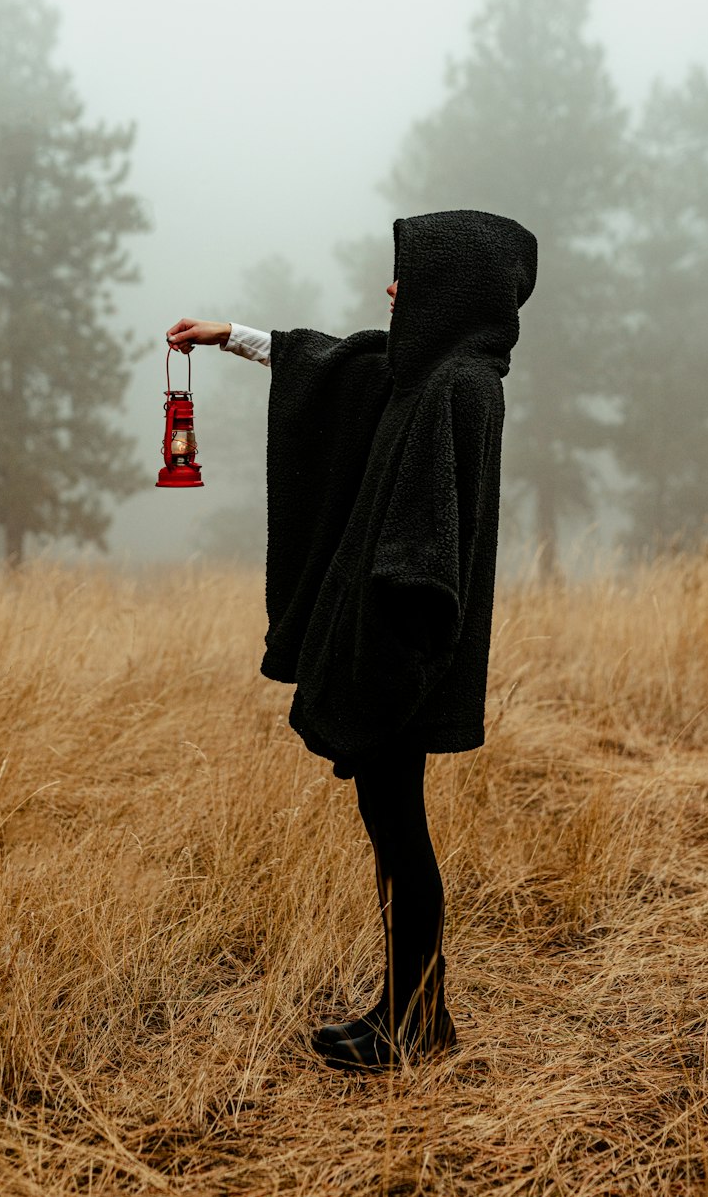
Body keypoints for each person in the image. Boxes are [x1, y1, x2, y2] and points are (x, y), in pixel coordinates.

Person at [168, 209, 538, 1071]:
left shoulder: (461, 388)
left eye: (408, 275)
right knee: (389, 820)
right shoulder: (427, 376)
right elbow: (337, 365)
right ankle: (409, 1011)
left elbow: (430, 545)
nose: (392, 288)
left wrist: (392, 656)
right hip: (392, 645)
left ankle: (418, 1023)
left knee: (402, 828)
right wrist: (234, 339)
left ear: (454, 285)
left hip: (406, 650)